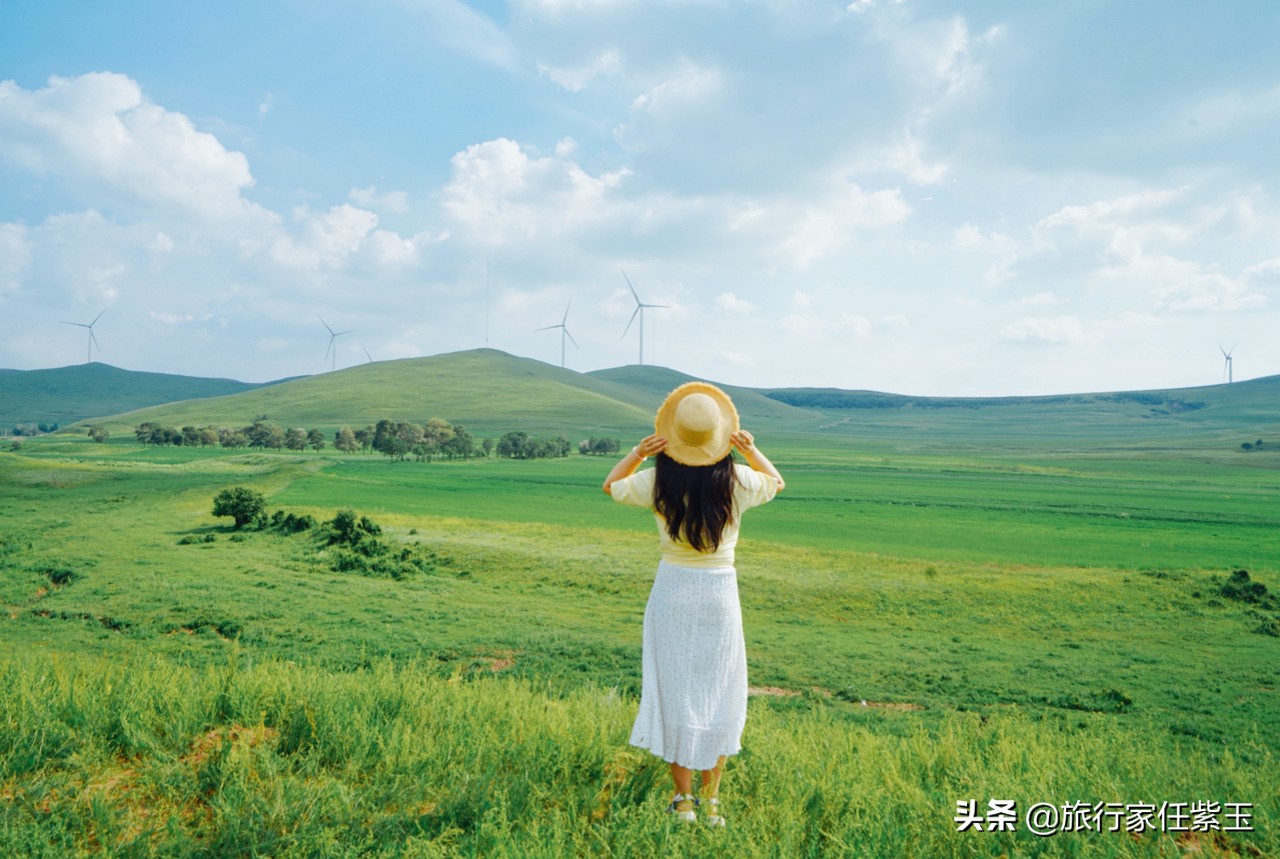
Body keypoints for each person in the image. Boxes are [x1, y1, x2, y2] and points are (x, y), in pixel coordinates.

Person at [602, 382, 785, 827]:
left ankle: (682, 801)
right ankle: (713, 802)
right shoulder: (738, 480)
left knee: (677, 694)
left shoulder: (656, 480)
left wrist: (638, 453)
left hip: (673, 592)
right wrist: (751, 451)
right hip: (720, 594)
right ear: (721, 438)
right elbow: (777, 482)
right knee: (718, 693)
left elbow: (610, 486)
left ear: (672, 436)